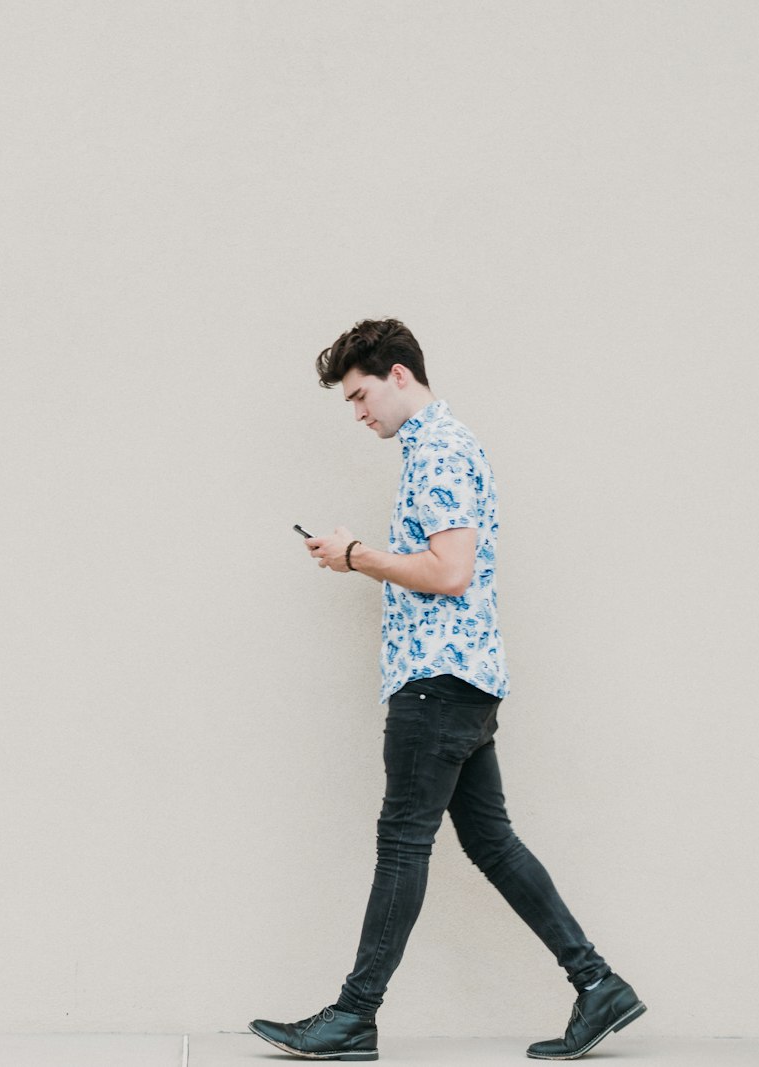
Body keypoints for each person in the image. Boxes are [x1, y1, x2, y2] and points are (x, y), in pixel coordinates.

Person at [248, 319, 645, 1062]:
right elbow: (448, 564)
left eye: (362, 395)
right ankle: (598, 984)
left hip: (437, 682)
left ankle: (354, 1015)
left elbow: (450, 571)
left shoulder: (438, 448)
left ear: (400, 375)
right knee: (491, 841)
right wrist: (357, 557)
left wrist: (357, 554)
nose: (358, 412)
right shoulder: (441, 446)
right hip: (460, 679)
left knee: (403, 840)